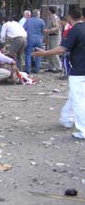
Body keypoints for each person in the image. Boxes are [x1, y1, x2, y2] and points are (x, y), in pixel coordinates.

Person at [33, 9, 85, 139]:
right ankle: (66, 119)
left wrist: (44, 53)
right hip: (80, 69)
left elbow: (62, 49)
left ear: (69, 17)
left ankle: (83, 130)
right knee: (74, 96)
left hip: (79, 70)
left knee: (78, 99)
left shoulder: (75, 30)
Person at [23, 9, 45, 74]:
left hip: (30, 38)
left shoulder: (28, 21)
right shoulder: (41, 21)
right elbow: (43, 30)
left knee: (28, 54)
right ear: (38, 14)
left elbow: (23, 28)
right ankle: (37, 68)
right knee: (39, 53)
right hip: (39, 39)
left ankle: (28, 69)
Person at [44, 6, 62, 73]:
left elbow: (56, 27)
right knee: (50, 52)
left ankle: (58, 67)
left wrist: (48, 30)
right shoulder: (51, 17)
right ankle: (51, 67)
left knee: (54, 52)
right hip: (52, 36)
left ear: (49, 11)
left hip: (55, 37)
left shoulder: (54, 18)